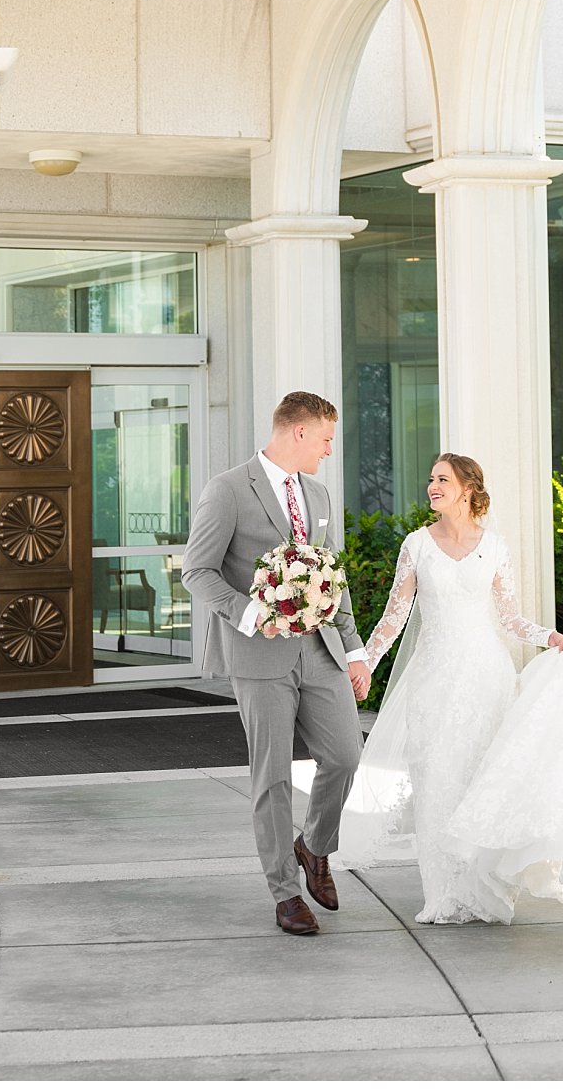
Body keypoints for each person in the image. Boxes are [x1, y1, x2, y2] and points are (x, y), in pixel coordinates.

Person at [340, 454, 563, 925]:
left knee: (482, 783)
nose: (432, 486)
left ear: (467, 488)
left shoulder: (496, 546)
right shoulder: (417, 545)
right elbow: (394, 619)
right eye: (430, 479)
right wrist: (363, 661)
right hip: (433, 680)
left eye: (442, 479)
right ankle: (442, 895)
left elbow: (508, 618)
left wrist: (550, 637)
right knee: (437, 780)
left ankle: (486, 893)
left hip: (488, 679)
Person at [183, 390, 369, 937]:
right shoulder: (227, 490)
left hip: (321, 651)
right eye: (327, 439)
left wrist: (353, 649)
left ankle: (313, 847)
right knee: (273, 779)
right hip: (258, 654)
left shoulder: (318, 493)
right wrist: (249, 616)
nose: (330, 451)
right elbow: (198, 572)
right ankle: (285, 892)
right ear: (300, 432)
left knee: (345, 757)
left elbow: (332, 576)